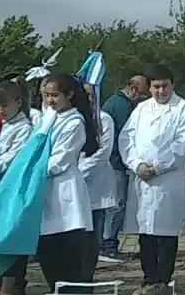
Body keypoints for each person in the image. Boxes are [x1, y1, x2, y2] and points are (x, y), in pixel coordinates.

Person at [120, 64, 185, 294]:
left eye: (165, 86)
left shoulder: (183, 109)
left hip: (168, 180)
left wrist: (158, 166)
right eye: (156, 86)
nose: (161, 91)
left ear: (172, 85)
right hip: (142, 180)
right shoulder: (141, 109)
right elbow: (126, 139)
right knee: (146, 232)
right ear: (149, 87)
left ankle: (164, 279)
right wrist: (136, 164)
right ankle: (148, 277)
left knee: (166, 232)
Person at [33, 73, 99, 292]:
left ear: (69, 95)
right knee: (50, 259)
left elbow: (59, 161)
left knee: (69, 260)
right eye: (46, 95)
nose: (50, 100)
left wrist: (31, 169)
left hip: (64, 191)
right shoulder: (47, 119)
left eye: (55, 95)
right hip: (44, 190)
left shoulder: (74, 122)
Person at [0, 80, 34, 295]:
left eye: (4, 106)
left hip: (11, 191)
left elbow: (14, 157)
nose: (0, 111)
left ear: (18, 102)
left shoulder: (24, 128)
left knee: (9, 242)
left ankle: (9, 288)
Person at [101, 73, 149, 260]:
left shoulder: (113, 101)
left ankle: (106, 241)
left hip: (111, 161)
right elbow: (129, 135)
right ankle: (108, 244)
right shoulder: (122, 106)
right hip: (116, 162)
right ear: (134, 90)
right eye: (143, 95)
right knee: (116, 204)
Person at [78, 82, 118, 276]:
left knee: (90, 239)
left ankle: (86, 281)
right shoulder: (70, 119)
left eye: (91, 96)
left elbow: (101, 154)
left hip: (93, 187)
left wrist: (77, 174)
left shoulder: (104, 120)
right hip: (68, 188)